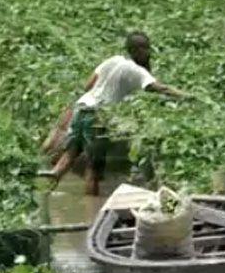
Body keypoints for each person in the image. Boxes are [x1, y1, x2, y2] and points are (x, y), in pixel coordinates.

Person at [43, 31, 192, 195]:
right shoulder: (137, 71)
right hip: (97, 117)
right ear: (139, 50)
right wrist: (187, 96)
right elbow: (161, 88)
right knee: (93, 169)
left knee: (70, 154)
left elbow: (87, 86)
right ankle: (92, 212)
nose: (149, 52)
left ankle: (48, 183)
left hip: (81, 108)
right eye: (147, 49)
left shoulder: (113, 60)